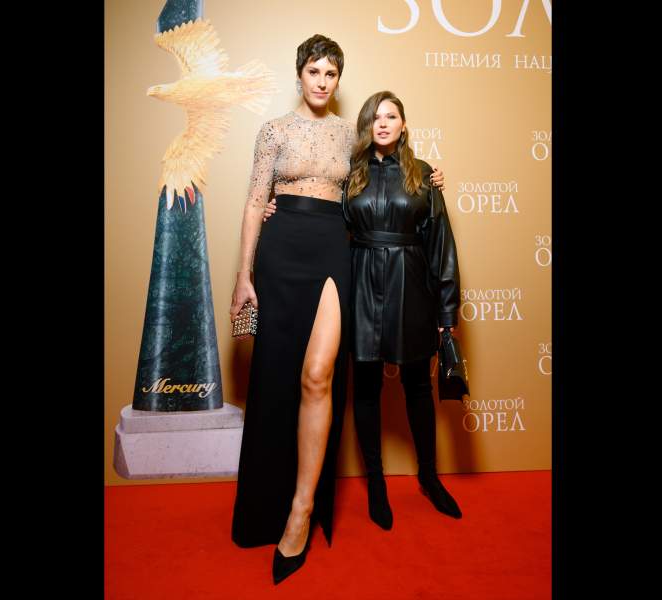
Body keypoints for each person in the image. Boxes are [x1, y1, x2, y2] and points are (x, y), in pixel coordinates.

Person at [229, 37, 444, 584]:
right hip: (281, 251)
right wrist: (243, 275)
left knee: (319, 375)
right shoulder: (273, 130)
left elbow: (392, 166)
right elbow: (255, 200)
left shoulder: (352, 135)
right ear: (299, 74)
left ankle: (302, 510)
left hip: (332, 249)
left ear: (339, 80)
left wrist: (432, 177)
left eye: (331, 73)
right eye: (314, 71)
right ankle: (269, 503)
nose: (322, 81)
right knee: (276, 379)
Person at [343, 91, 463, 531]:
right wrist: (276, 209)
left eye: (391, 116)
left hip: (412, 287)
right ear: (366, 126)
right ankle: (376, 483)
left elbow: (441, 243)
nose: (383, 123)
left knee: (417, 386)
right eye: (375, 117)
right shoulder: (349, 175)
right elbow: (322, 223)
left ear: (403, 124)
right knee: (366, 387)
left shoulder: (424, 174)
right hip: (361, 285)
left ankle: (429, 476)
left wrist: (446, 313)